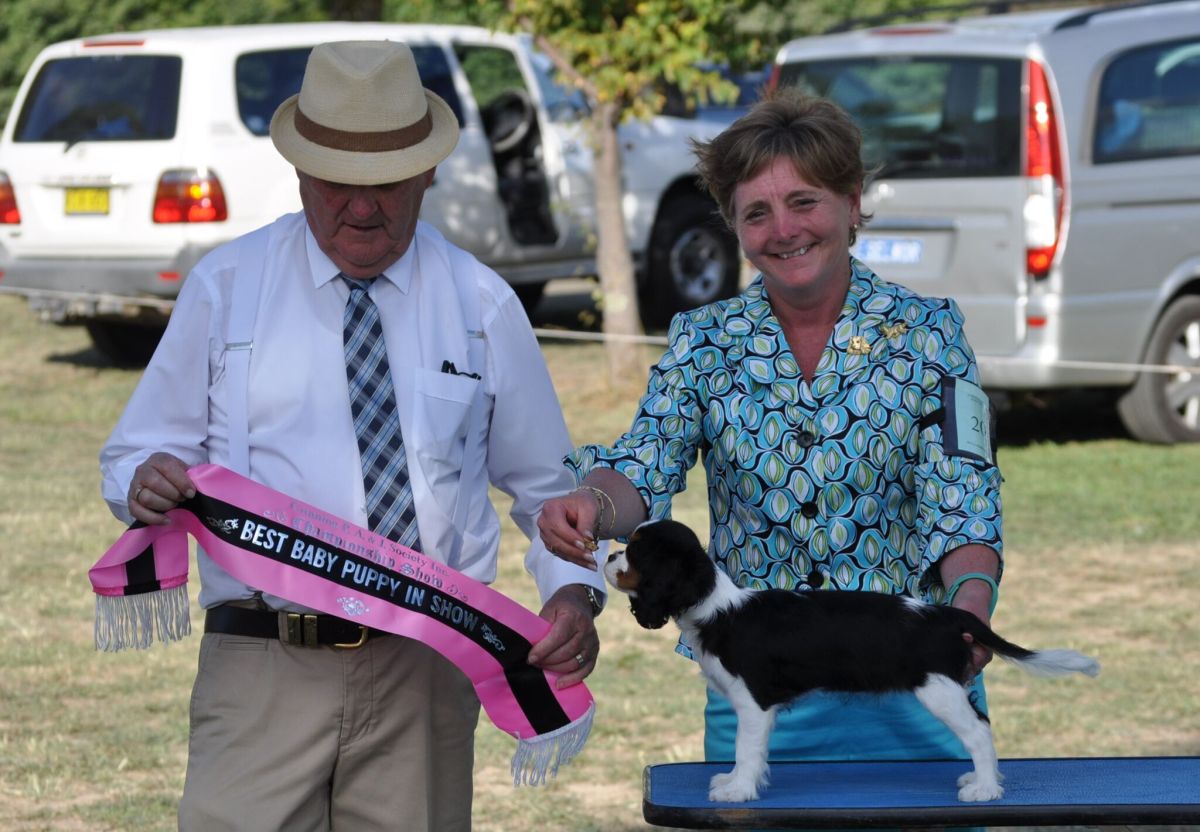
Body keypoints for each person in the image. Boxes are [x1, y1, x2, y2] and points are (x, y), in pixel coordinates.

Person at [100, 40, 604, 832]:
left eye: (388, 185)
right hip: (261, 664)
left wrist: (573, 594)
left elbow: (548, 492)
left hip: (427, 669)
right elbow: (133, 452)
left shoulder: (483, 303)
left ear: (430, 172)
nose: (362, 208)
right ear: (299, 171)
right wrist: (145, 479)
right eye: (337, 184)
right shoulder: (226, 288)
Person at [538, 90, 1003, 776]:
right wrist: (595, 505)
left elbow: (965, 501)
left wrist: (970, 612)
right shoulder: (703, 342)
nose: (783, 229)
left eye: (805, 201)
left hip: (911, 683)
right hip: (755, 690)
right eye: (757, 212)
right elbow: (643, 462)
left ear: (851, 201)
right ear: (733, 225)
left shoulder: (932, 334)